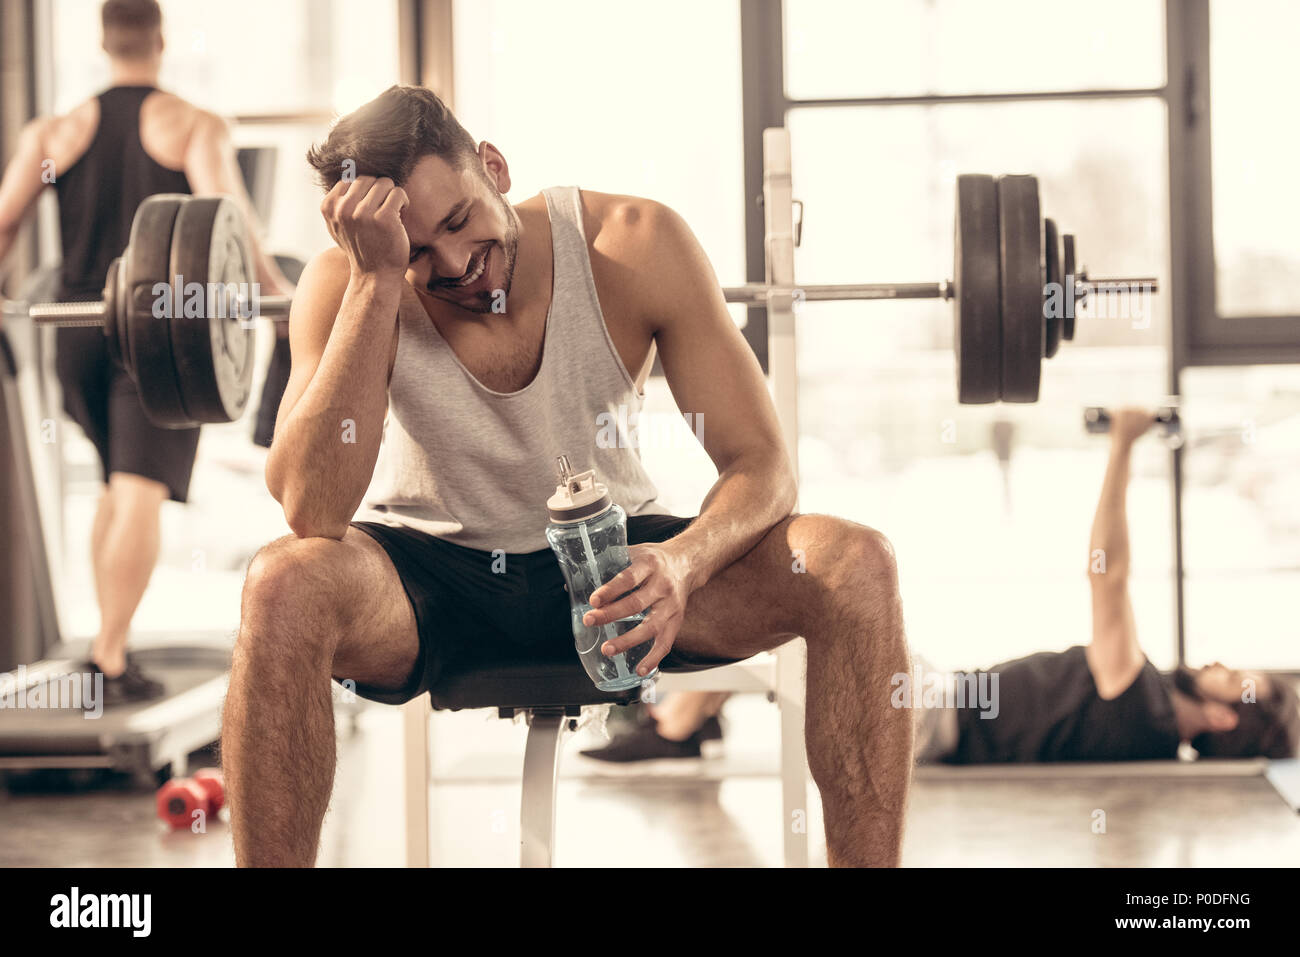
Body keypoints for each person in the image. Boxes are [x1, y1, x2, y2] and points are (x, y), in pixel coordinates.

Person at [220, 85, 914, 868]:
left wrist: (682, 563)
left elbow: (763, 465)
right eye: (419, 254)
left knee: (855, 565)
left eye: (459, 222)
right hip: (429, 579)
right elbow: (311, 511)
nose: (457, 266)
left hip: (617, 571)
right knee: (282, 583)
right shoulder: (343, 287)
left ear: (493, 166)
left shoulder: (633, 244)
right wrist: (377, 284)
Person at [596, 409, 1299, 766]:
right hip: (936, 702)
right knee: (798, 608)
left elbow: (1106, 572)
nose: (1222, 666)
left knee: (787, 613)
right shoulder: (1145, 719)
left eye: (1243, 682)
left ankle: (675, 728)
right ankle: (681, 719)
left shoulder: (1144, 708)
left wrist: (1122, 442)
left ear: (1230, 719)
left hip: (931, 721)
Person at [0, 0, 293, 704]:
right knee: (137, 490)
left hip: (73, 331)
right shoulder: (190, 123)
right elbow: (229, 217)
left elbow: (5, 222)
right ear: (158, 41)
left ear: (105, 43)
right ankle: (107, 656)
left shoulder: (56, 132)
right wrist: (279, 298)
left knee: (113, 483)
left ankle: (107, 641)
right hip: (156, 331)